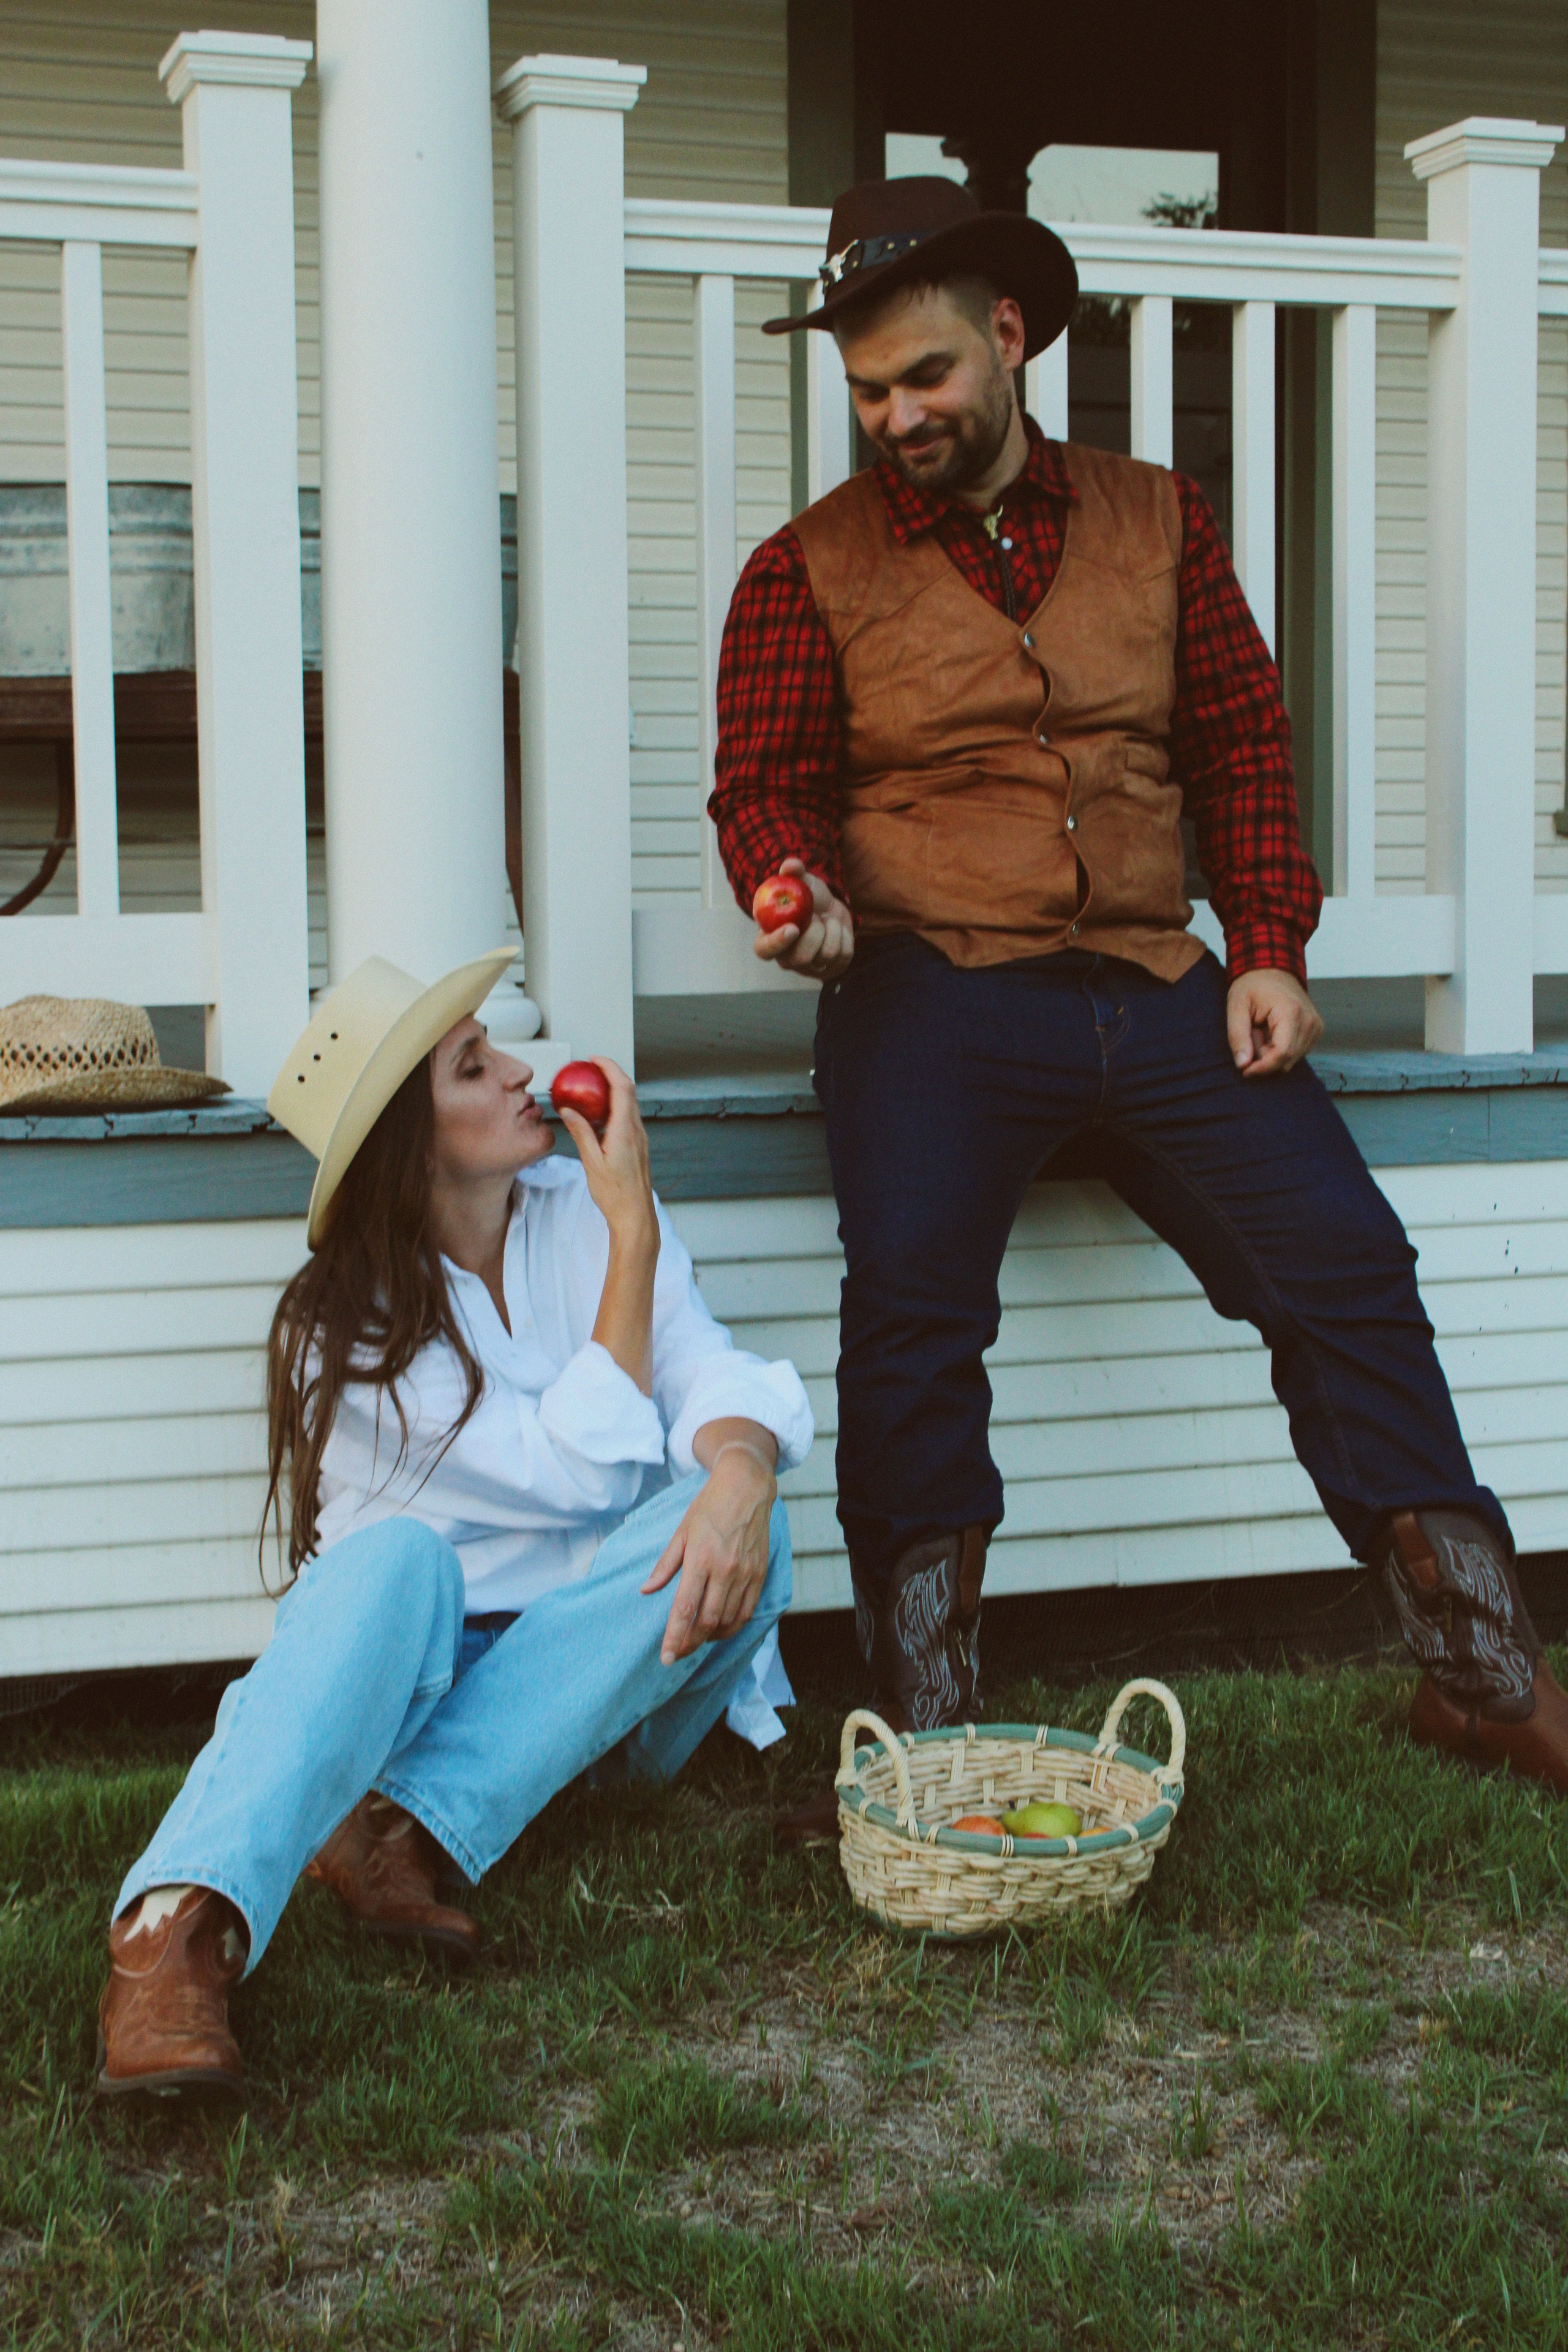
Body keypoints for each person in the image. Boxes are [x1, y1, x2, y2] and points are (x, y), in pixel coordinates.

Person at [710, 175, 1568, 1830]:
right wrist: (790, 891)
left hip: (1160, 984)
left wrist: (1268, 945)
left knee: (1345, 1261)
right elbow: (763, 787)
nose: (897, 416)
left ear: (1008, 338)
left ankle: (1480, 1672)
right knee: (913, 1314)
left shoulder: (1160, 518)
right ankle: (930, 1729)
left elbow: (1240, 746)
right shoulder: (800, 568)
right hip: (933, 987)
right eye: (870, 390)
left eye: (926, 376)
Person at [96, 949, 813, 2100]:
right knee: (398, 1565)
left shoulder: (578, 1211)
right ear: (411, 1146)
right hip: (419, 1686)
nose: (523, 1073)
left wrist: (740, 1467)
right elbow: (583, 1471)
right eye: (475, 1068)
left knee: (749, 1530)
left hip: (598, 1688)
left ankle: (398, 1826)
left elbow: (702, 1365)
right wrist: (634, 1237)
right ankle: (170, 1938)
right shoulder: (348, 1332)